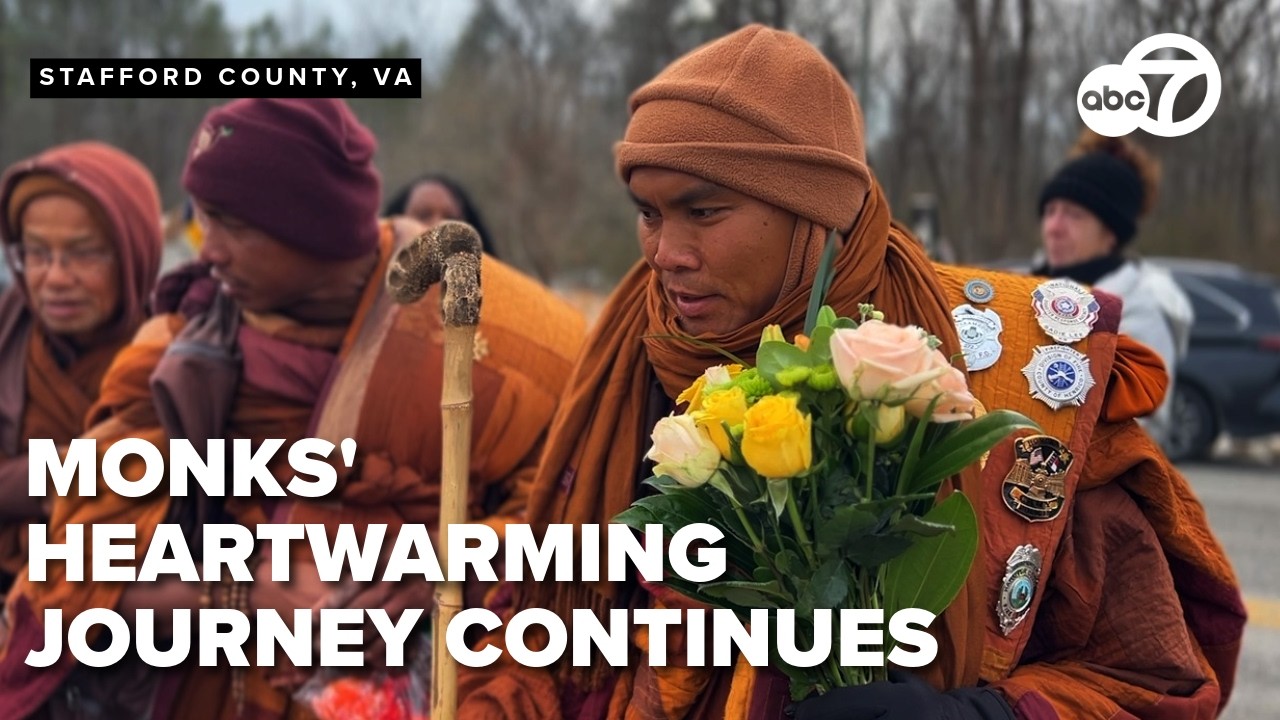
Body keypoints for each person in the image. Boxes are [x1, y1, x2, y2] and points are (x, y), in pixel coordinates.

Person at [457, 25, 1244, 720]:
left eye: (702, 212)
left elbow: (1152, 678)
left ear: (814, 219)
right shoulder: (629, 361)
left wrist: (978, 716)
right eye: (648, 212)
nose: (665, 255)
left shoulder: (1003, 371)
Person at [0, 99, 586, 719]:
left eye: (235, 225)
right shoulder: (181, 348)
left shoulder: (501, 332)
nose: (211, 251)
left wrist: (443, 576)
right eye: (205, 222)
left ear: (315, 228)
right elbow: (70, 574)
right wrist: (236, 596)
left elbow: (581, 514)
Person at [0, 141, 163, 593]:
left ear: (134, 255)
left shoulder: (174, 360)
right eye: (37, 253)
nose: (55, 278)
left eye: (84, 253)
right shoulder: (7, 336)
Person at [1034, 131, 1194, 450]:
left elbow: (1136, 428)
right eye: (1050, 211)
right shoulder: (1021, 288)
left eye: (1073, 215)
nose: (1054, 227)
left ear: (1111, 234)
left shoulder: (1139, 312)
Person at [384, 173, 499, 256]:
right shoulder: (371, 288)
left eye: (451, 218)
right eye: (424, 215)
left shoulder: (500, 287)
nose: (439, 225)